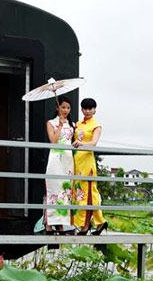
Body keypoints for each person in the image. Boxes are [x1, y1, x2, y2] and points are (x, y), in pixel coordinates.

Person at [72, 97, 107, 235]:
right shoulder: (78, 124)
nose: (87, 111)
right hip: (77, 160)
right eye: (85, 108)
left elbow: (94, 142)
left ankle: (88, 225)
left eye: (90, 108)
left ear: (94, 109)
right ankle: (89, 224)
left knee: (89, 194)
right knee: (79, 193)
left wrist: (81, 144)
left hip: (87, 160)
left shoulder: (96, 126)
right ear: (81, 109)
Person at [44, 97, 75, 234]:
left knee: (65, 192)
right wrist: (60, 125)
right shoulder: (51, 123)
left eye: (68, 108)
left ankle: (61, 224)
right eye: (63, 107)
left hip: (68, 160)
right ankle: (49, 223)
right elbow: (53, 141)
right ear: (57, 108)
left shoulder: (72, 124)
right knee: (53, 191)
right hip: (56, 158)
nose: (66, 110)